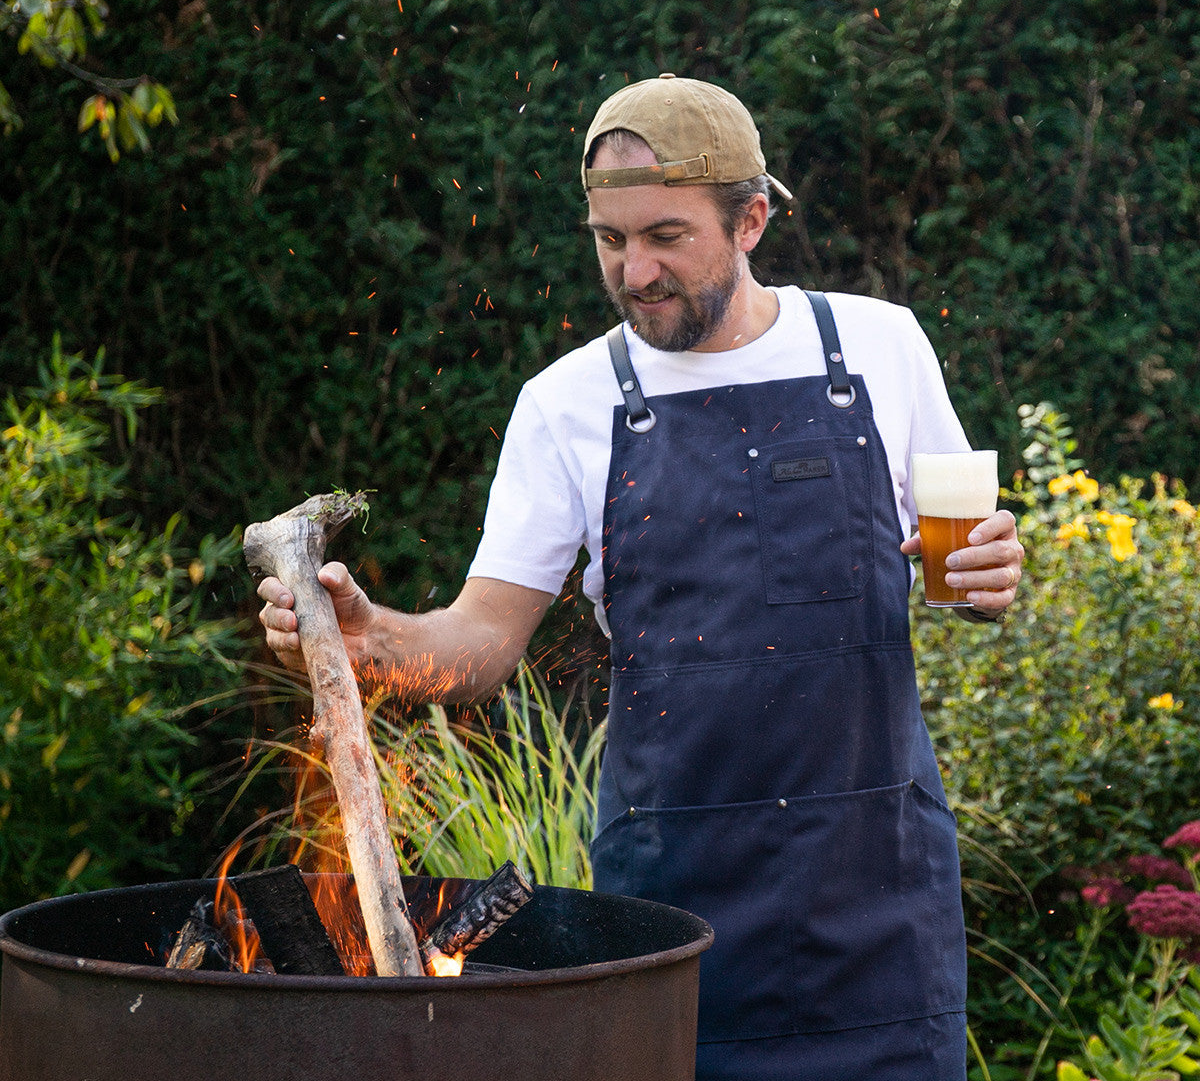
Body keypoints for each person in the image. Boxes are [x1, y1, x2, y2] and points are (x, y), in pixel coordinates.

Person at [259, 73, 1024, 1080]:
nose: (636, 270)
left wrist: (984, 574)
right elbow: (480, 646)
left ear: (751, 220)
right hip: (674, 918)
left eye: (665, 235)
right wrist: (374, 643)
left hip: (877, 905)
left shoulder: (879, 348)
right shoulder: (568, 403)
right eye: (610, 241)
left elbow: (961, 576)